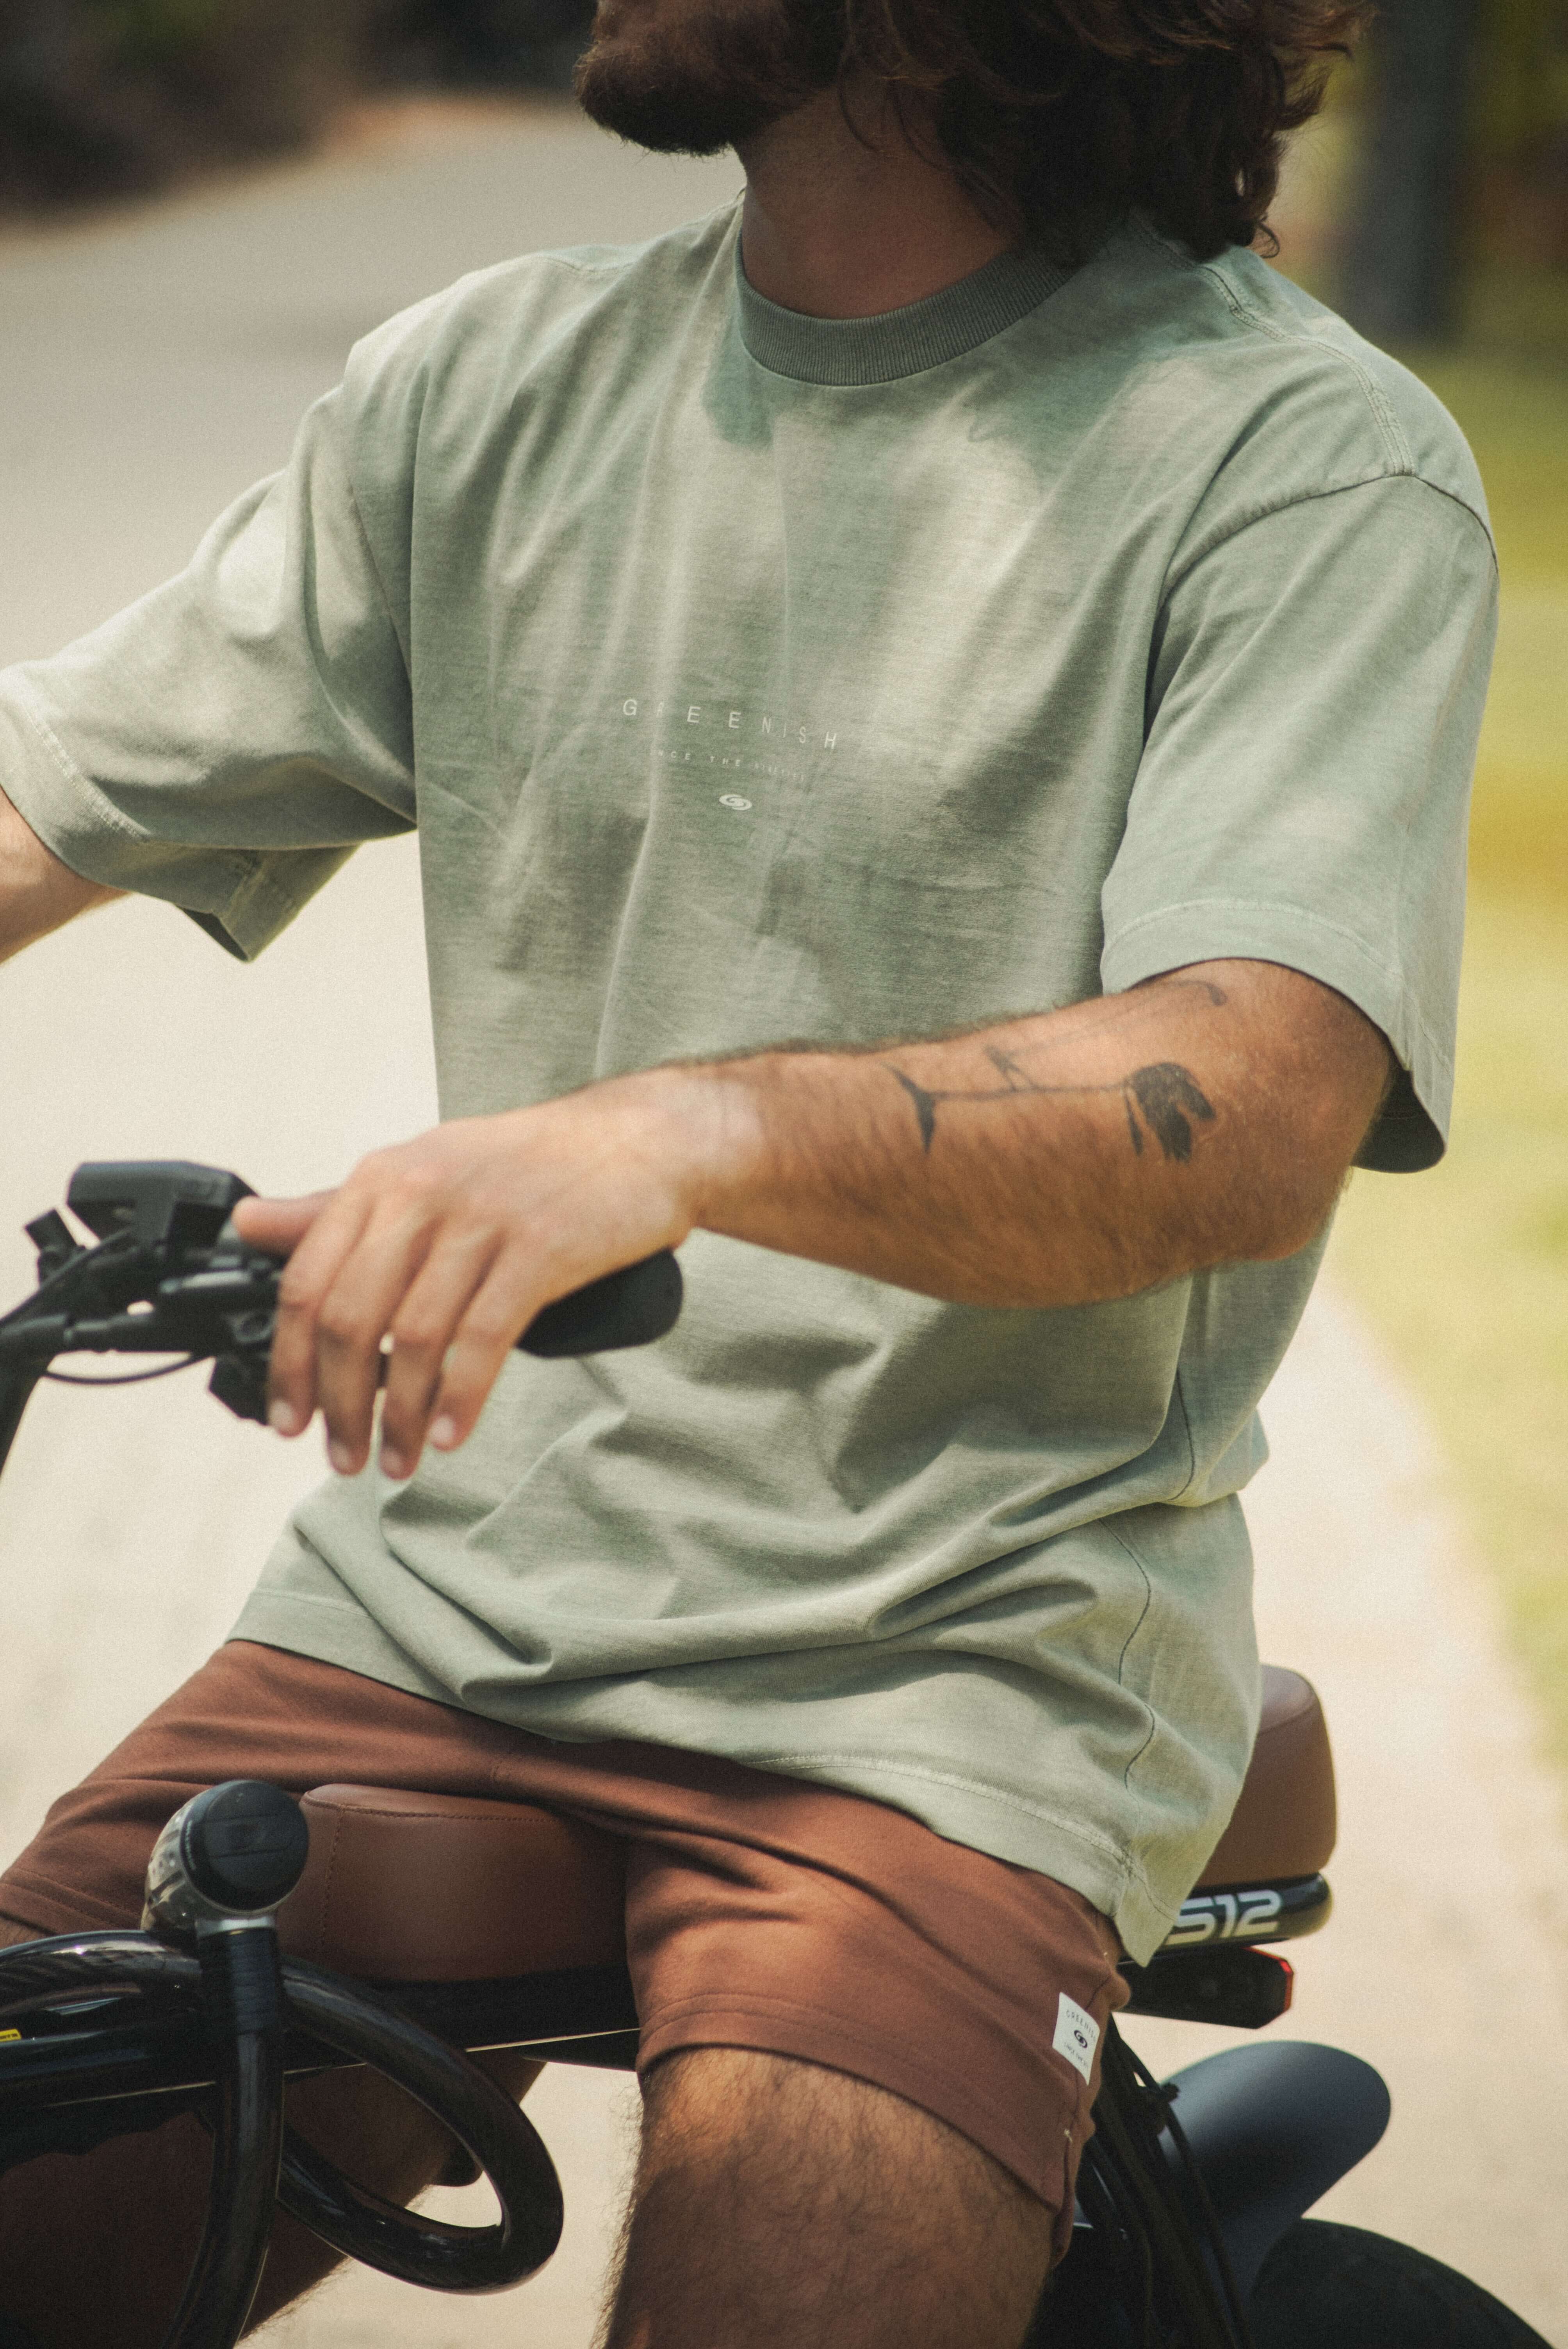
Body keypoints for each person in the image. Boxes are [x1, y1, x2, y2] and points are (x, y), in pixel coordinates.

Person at [0, 0, 1496, 2340]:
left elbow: (1251, 1099)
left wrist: (681, 1134)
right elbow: (37, 799)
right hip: (425, 1613)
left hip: (957, 1670)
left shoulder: (1299, 465)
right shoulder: (489, 387)